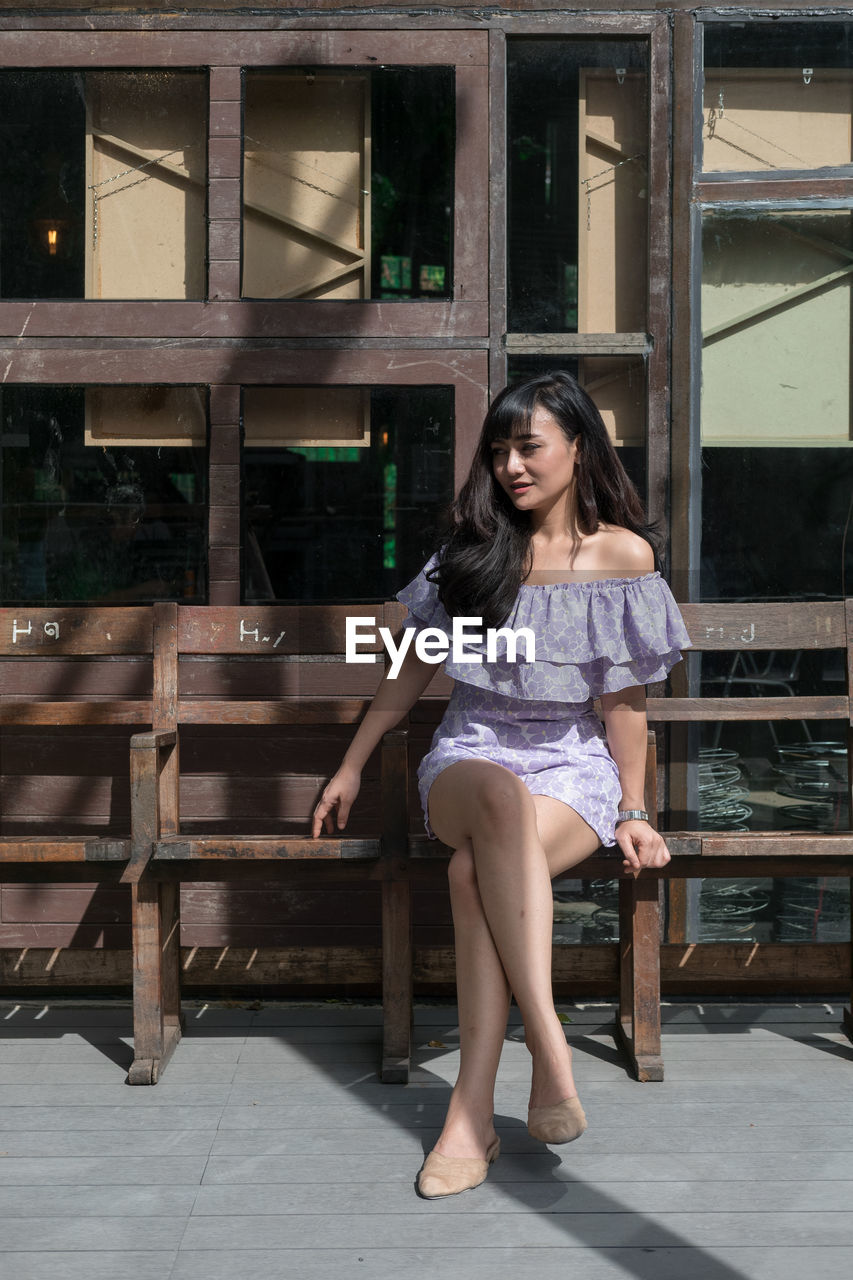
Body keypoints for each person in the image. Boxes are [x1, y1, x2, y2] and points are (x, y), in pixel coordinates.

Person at [312, 371, 692, 1199]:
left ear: (577, 447)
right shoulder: (471, 552)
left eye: (529, 446)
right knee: (494, 798)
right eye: (499, 451)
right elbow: (412, 669)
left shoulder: (622, 557)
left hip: (571, 767)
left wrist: (632, 809)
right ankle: (548, 1042)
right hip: (470, 755)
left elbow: (623, 705)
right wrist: (350, 761)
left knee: (467, 872)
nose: (512, 466)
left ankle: (468, 1114)